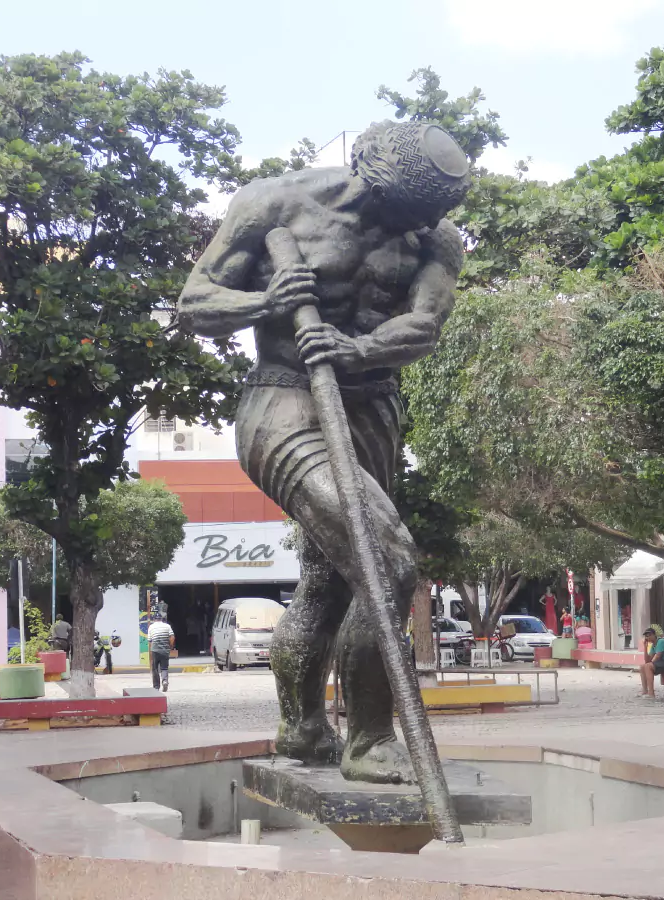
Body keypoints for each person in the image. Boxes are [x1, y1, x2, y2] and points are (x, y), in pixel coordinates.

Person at [178, 120, 469, 784]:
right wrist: (266, 301)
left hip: (372, 408)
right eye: (401, 214)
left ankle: (303, 730)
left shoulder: (433, 238)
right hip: (284, 401)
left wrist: (358, 350)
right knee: (385, 559)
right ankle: (370, 741)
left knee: (331, 578)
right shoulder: (273, 204)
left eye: (425, 219)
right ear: (368, 176)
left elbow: (424, 325)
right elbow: (195, 303)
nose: (413, 230)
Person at [147, 614, 175, 693]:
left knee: (155, 668)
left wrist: (151, 651)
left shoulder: (151, 627)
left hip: (155, 650)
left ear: (154, 619)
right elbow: (172, 637)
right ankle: (165, 681)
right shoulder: (167, 626)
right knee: (164, 667)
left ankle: (156, 686)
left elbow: (150, 641)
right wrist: (170, 646)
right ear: (161, 619)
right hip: (165, 650)